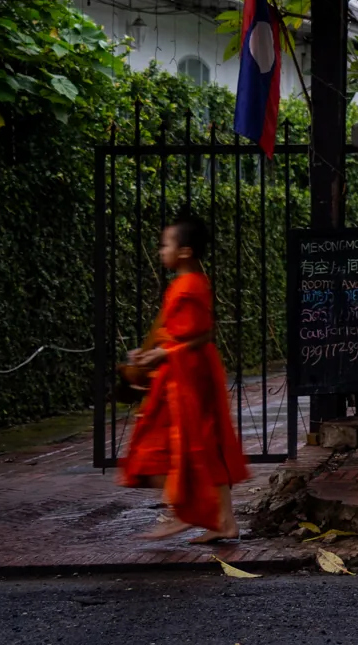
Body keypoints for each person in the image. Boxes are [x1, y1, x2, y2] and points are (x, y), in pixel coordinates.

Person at [118, 214, 250, 540]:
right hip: (178, 372)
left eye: (166, 245)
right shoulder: (185, 284)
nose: (161, 251)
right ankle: (220, 520)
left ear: (185, 251)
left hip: (190, 376)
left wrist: (161, 354)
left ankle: (183, 510)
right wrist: (149, 356)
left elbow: (202, 336)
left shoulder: (191, 285)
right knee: (193, 446)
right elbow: (173, 335)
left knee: (192, 445)